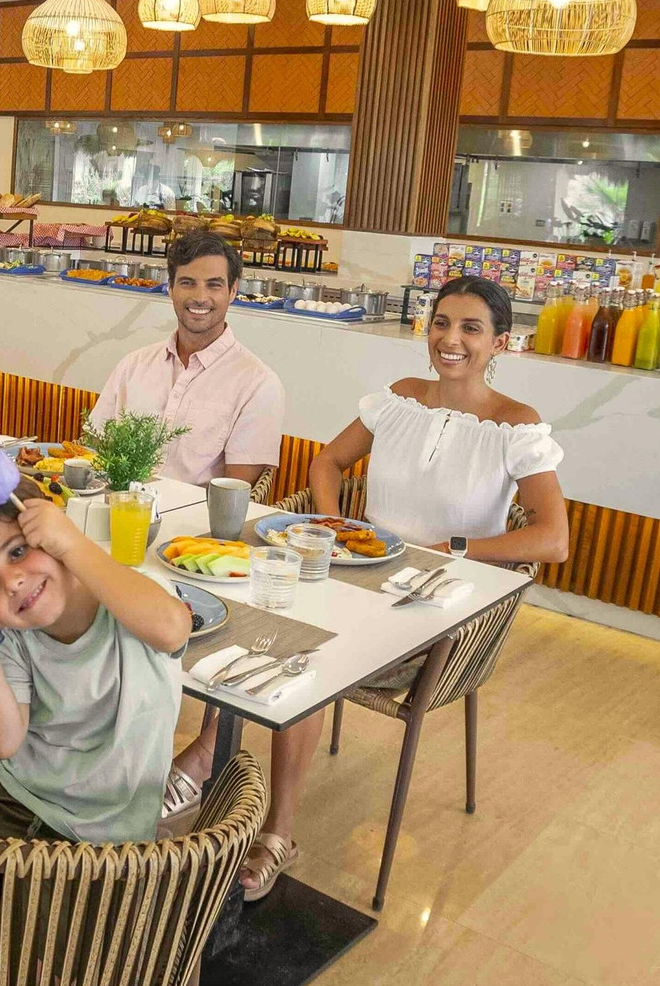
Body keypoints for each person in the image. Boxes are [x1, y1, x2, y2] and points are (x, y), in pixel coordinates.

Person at [168, 272, 569, 899]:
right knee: (256, 609)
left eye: (470, 329)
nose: (451, 339)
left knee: (305, 651)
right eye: (441, 323)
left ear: (500, 343)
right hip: (357, 578)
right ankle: (209, 754)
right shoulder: (399, 398)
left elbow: (552, 539)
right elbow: (326, 462)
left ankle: (273, 826)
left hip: (436, 609)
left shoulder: (517, 426)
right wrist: (333, 528)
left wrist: (454, 549)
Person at [0, 479, 191, 843]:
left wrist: (72, 543)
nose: (12, 582)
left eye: (17, 552)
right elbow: (1, 743)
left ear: (53, 531)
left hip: (102, 837)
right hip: (3, 797)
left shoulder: (132, 596)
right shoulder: (9, 636)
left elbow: (172, 628)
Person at [87, 224, 285, 489]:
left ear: (233, 291)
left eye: (214, 285)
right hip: (117, 507)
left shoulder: (258, 385)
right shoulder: (133, 365)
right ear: (170, 288)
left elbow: (232, 497)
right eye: (187, 283)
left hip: (197, 516)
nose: (200, 297)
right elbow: (94, 449)